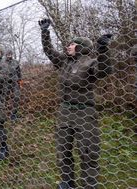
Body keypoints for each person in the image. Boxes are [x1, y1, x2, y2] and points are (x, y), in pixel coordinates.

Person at [38, 18, 112, 189]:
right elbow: (49, 51)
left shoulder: (90, 63)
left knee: (88, 151)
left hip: (85, 113)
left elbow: (104, 70)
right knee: (63, 149)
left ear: (81, 47)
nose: (68, 46)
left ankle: (89, 184)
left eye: (71, 44)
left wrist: (102, 49)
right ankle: (67, 181)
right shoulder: (64, 62)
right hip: (65, 112)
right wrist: (44, 32)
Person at [5, 50, 22, 121]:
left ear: (12, 54)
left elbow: (19, 72)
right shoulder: (2, 62)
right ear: (6, 55)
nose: (9, 55)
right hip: (5, 82)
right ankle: (2, 115)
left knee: (16, 97)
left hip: (15, 82)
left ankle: (13, 115)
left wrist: (20, 80)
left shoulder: (15, 62)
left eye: (10, 54)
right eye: (8, 54)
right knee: (4, 98)